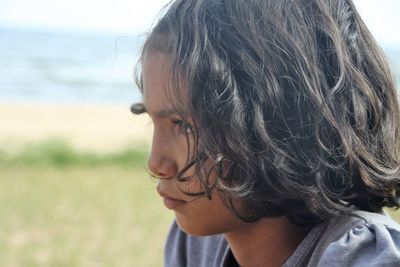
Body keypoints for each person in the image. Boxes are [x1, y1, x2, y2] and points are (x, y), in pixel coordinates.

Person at [131, 0, 400, 266]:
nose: (156, 164)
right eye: (153, 121)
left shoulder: (365, 258)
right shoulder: (196, 244)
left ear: (278, 121)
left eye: (183, 125)